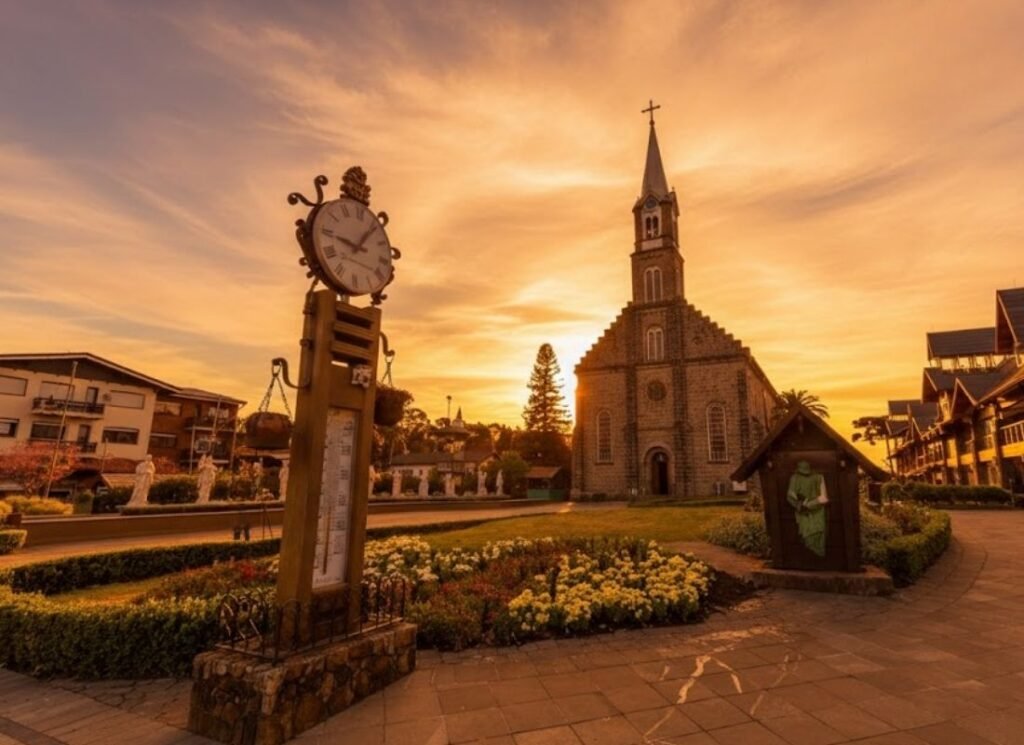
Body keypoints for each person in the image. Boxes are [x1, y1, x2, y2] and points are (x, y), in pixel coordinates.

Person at [786, 460, 828, 557]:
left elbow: (824, 498)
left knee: (817, 539)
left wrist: (809, 504)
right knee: (807, 539)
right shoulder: (795, 478)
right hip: (804, 516)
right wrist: (801, 505)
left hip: (817, 515)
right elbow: (790, 496)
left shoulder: (819, 477)